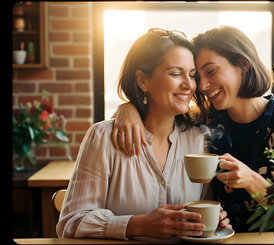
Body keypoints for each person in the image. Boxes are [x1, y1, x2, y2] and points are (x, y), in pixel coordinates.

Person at [111, 26, 274, 232]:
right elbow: (159, 113)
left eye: (211, 71)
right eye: (199, 77)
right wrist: (127, 108)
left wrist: (253, 181)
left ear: (243, 65)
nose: (202, 87)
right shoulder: (206, 123)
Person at [56, 28, 229, 240]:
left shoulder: (198, 139)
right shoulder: (104, 138)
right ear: (142, 80)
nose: (189, 84)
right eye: (175, 73)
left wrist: (213, 222)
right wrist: (136, 225)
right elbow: (70, 224)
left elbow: (200, 216)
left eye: (192, 75)